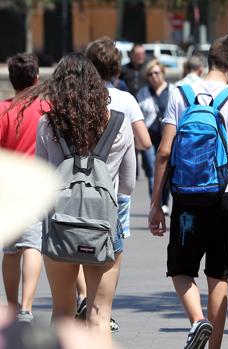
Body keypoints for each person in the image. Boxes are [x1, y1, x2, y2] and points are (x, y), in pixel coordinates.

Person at [148, 35, 228, 349]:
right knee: (219, 275)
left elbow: (163, 152)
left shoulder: (180, 94)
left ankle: (197, 320)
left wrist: (156, 204)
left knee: (180, 268)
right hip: (225, 196)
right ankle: (213, 344)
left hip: (187, 195)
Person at [19, 53, 135, 348]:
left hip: (60, 226)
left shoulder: (48, 125)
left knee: (62, 312)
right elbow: (129, 185)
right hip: (105, 229)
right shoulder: (119, 124)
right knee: (99, 313)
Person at [82, 36, 153, 332]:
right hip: (108, 203)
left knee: (62, 304)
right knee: (102, 306)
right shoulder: (125, 101)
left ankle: (80, 297)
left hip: (69, 204)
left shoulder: (75, 100)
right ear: (116, 68)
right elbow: (144, 144)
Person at [0, 53, 49, 323]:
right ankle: (26, 308)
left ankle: (11, 304)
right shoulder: (46, 107)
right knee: (33, 245)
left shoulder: (2, 110)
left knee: (10, 249)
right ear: (36, 77)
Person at [137, 60, 173, 214]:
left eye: (156, 73)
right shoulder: (143, 93)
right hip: (149, 138)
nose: (153, 77)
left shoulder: (173, 90)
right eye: (150, 74)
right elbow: (138, 114)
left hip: (168, 137)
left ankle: (164, 202)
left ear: (163, 73)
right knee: (153, 170)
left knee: (167, 171)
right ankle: (156, 204)